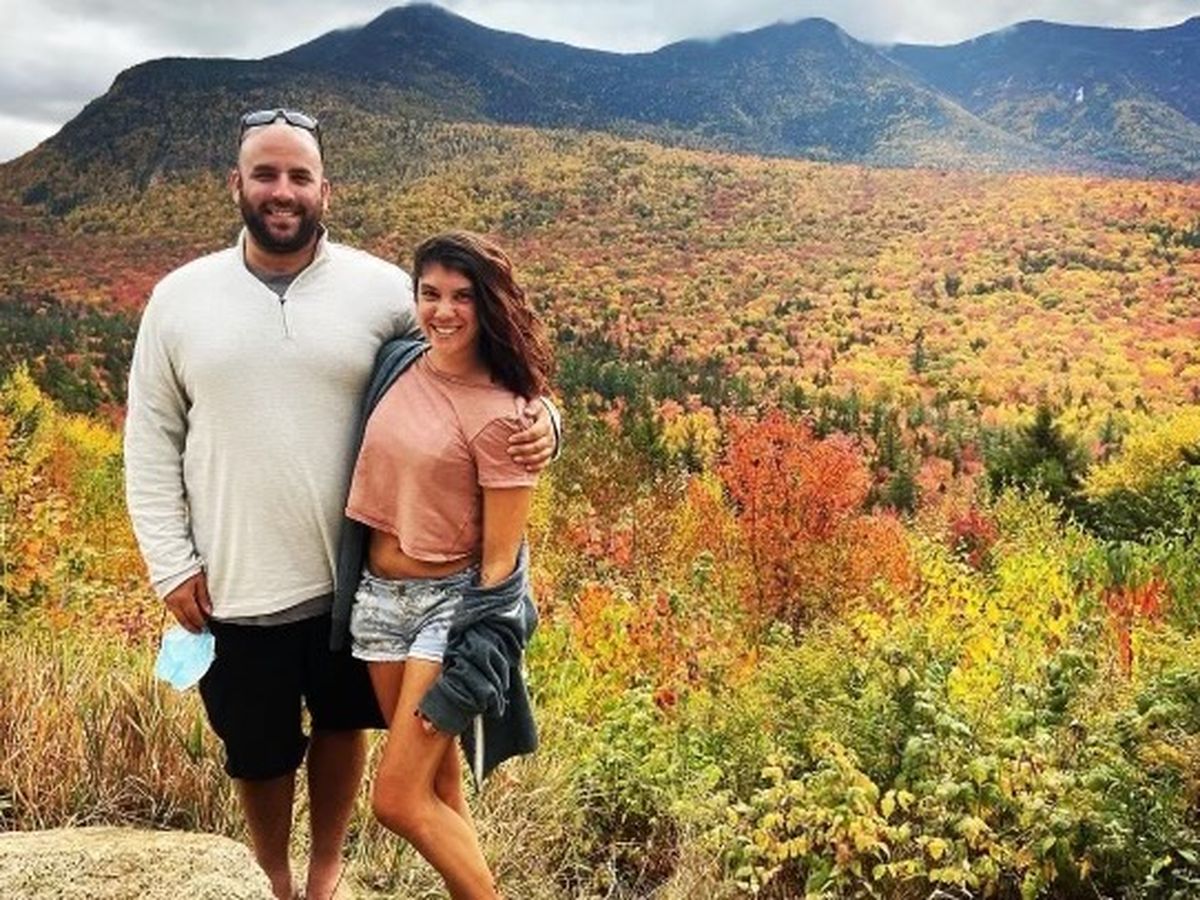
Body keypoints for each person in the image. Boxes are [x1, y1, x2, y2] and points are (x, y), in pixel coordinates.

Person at [123, 109, 559, 900]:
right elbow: (150, 437)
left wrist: (546, 424)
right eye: (266, 174)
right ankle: (271, 878)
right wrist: (169, 562)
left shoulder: (381, 289)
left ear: (327, 190)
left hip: (352, 583)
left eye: (300, 175)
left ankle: (326, 874)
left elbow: (475, 363)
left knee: (342, 725)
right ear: (236, 184)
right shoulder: (179, 299)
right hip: (235, 577)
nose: (282, 190)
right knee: (257, 749)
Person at [330, 231, 551, 899]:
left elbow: (500, 570)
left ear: (489, 306)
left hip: (445, 612)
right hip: (376, 603)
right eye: (430, 294)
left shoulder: (506, 418)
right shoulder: (400, 363)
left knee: (396, 800)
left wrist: (471, 668)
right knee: (438, 784)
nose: (444, 311)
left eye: (462, 297)